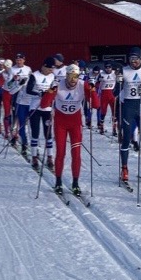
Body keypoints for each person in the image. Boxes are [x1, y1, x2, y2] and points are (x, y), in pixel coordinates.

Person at [52, 63, 91, 196]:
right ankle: (58, 182)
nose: (73, 79)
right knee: (60, 153)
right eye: (71, 76)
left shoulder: (82, 85)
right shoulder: (58, 85)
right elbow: (45, 103)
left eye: (76, 76)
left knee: (76, 154)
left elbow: (96, 104)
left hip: (75, 124)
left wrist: (91, 90)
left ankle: (75, 183)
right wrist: (50, 91)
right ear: (66, 76)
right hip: (60, 123)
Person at [119, 47, 141, 182]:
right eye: (131, 59)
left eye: (136, 59)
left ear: (140, 59)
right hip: (128, 106)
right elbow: (116, 92)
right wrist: (118, 82)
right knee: (126, 138)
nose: (134, 62)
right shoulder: (124, 70)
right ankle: (124, 168)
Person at [26, 57, 56, 170]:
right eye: (49, 69)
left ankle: (50, 157)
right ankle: (34, 156)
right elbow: (28, 90)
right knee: (35, 132)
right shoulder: (35, 75)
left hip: (47, 108)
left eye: (52, 69)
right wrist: (40, 93)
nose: (50, 71)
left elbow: (55, 89)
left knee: (48, 133)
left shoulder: (52, 76)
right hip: (35, 107)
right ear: (43, 66)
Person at [97, 60, 117, 135]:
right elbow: (96, 84)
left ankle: (114, 129)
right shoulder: (101, 74)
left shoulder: (115, 73)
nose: (108, 69)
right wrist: (99, 81)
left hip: (112, 94)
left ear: (111, 67)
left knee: (114, 112)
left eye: (109, 67)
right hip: (104, 94)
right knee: (103, 111)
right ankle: (101, 127)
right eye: (106, 67)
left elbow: (119, 82)